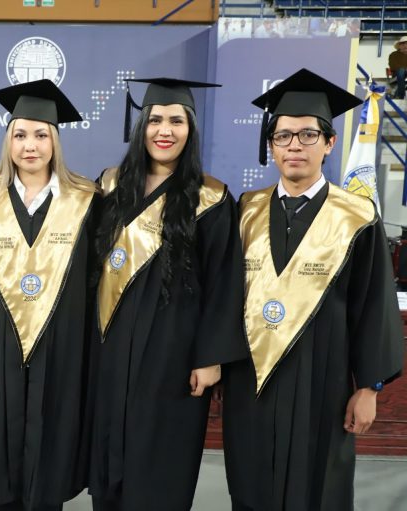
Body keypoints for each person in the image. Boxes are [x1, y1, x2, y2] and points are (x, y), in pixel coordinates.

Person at [223, 68, 404, 511]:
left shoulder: (356, 216)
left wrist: (370, 387)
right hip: (252, 377)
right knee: (251, 484)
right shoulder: (246, 210)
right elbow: (225, 297)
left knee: (319, 488)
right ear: (271, 145)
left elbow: (374, 305)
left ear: (329, 143)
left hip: (323, 380)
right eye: (283, 136)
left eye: (308, 135)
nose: (295, 146)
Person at [86, 78, 248, 511]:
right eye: (155, 119)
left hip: (173, 350)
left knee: (161, 457)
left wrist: (210, 357)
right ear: (141, 127)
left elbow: (225, 282)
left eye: (177, 121)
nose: (165, 130)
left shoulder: (211, 198)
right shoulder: (110, 186)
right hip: (111, 345)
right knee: (109, 452)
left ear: (190, 130)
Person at [0, 79, 98, 511]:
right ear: (8, 141)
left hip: (59, 342)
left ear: (55, 141)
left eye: (40, 135)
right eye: (20, 135)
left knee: (48, 450)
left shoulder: (87, 199)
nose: (30, 146)